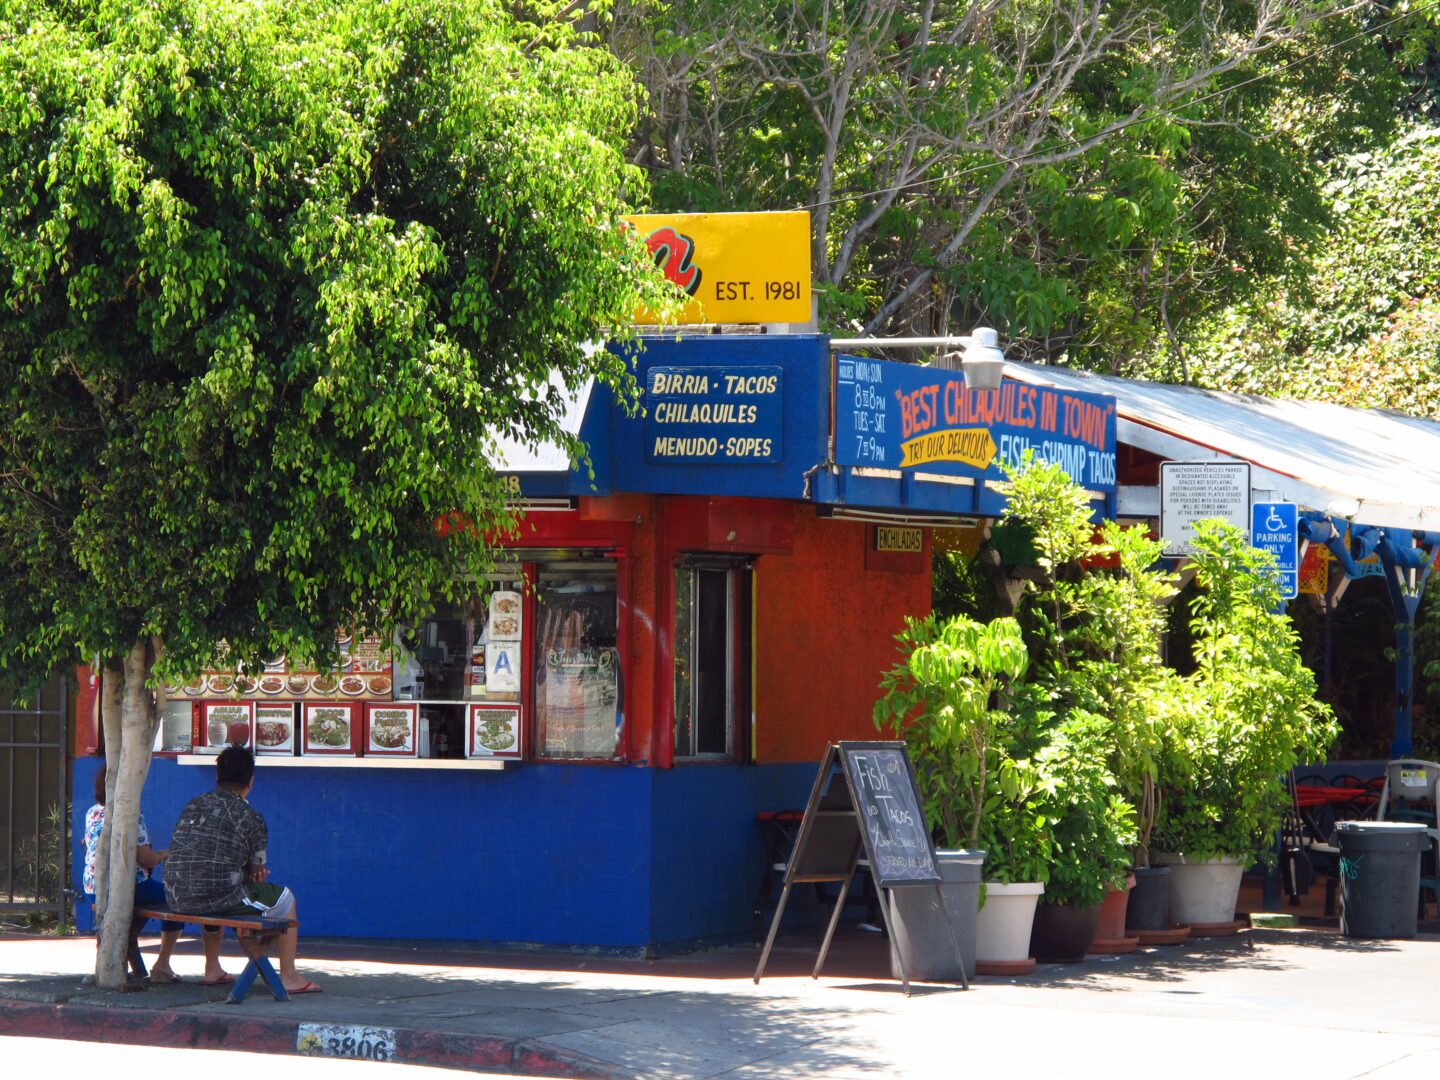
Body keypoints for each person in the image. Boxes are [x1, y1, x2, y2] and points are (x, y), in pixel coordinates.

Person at [165, 743, 320, 994]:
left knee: (213, 885)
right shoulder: (251, 817)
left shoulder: (193, 804)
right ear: (251, 781)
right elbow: (257, 869)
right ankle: (289, 976)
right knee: (285, 899)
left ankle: (212, 967)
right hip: (217, 897)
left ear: (217, 777)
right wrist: (254, 872)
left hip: (175, 895)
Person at [81, 762, 185, 983]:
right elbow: (145, 858)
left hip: (94, 888)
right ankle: (163, 964)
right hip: (128, 886)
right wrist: (163, 855)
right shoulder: (131, 815)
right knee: (179, 899)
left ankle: (127, 960)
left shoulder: (92, 813)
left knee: (139, 911)